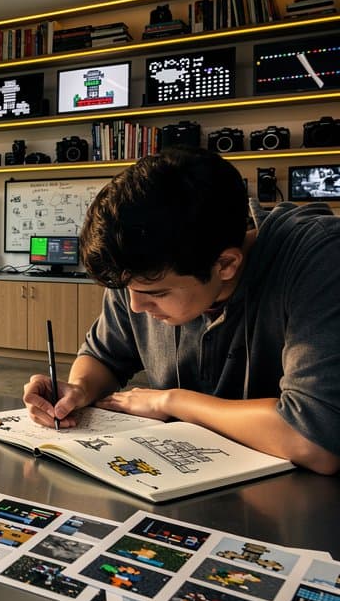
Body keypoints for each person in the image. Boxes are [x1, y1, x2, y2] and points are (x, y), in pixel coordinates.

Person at [22, 147, 340, 475]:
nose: (136, 307)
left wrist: (171, 401)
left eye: (157, 294)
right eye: (126, 291)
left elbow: (315, 440)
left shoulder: (318, 259)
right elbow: (104, 356)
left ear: (226, 264)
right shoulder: (137, 268)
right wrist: (79, 389)